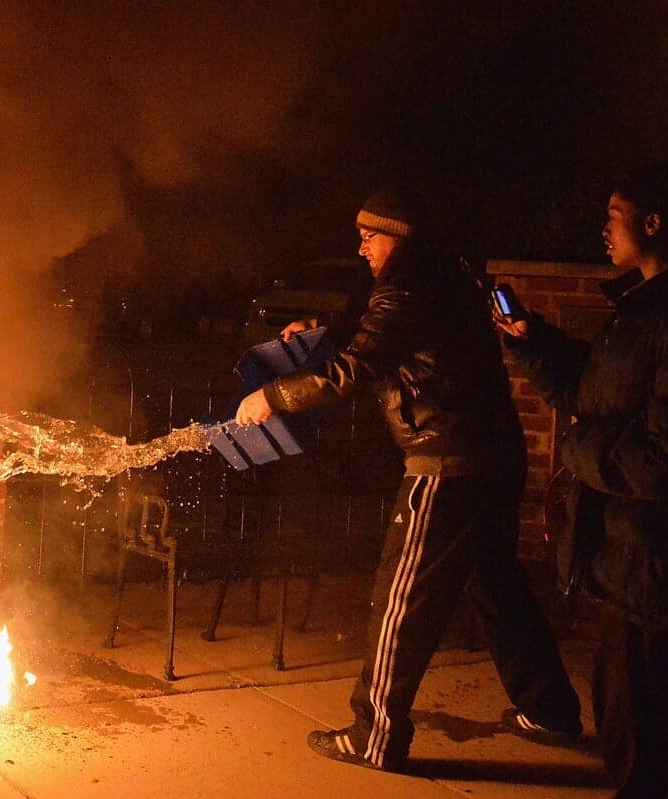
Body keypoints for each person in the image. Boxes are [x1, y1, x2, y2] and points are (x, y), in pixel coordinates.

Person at [236, 187, 581, 771]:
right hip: (492, 457)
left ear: (400, 236)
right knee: (495, 585)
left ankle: (375, 733)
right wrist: (319, 329)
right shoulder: (444, 279)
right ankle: (549, 710)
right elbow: (385, 342)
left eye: (371, 235)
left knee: (402, 595)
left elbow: (357, 366)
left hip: (446, 461)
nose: (361, 245)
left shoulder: (406, 289)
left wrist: (271, 397)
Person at [495, 163, 668, 798]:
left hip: (657, 563)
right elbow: (590, 389)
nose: (603, 228)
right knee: (626, 717)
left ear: (652, 223)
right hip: (632, 560)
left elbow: (664, 455)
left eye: (613, 214)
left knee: (642, 730)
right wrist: (531, 341)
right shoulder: (639, 311)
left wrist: (576, 448)